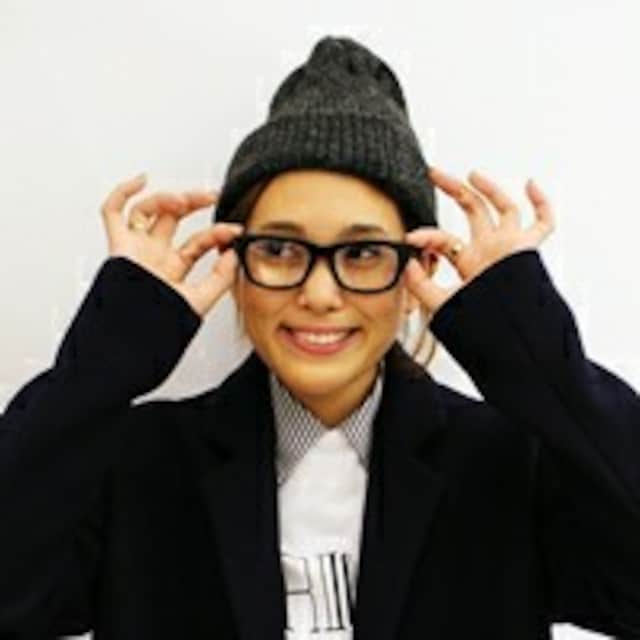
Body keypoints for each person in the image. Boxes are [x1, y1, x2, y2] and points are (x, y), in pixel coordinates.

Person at [1, 35, 639, 640]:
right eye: (280, 249)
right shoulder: (140, 463)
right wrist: (109, 357)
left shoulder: (509, 465)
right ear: (235, 268)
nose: (320, 294)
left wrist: (530, 351)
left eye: (362, 253)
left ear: (414, 274)